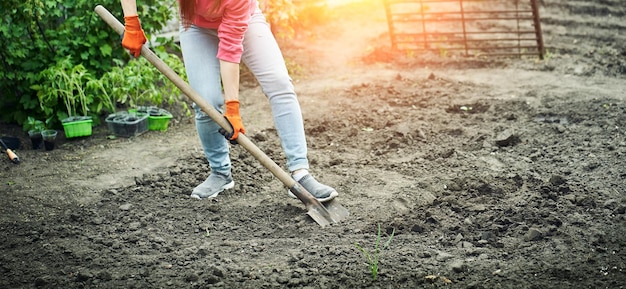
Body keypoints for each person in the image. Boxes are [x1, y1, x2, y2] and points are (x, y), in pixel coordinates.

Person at [119, 0, 338, 202]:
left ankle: (300, 173)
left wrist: (233, 108)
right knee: (206, 101)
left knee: (279, 83)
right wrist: (131, 22)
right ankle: (220, 173)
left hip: (246, 20)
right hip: (195, 26)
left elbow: (230, 49)